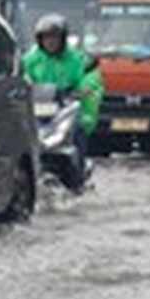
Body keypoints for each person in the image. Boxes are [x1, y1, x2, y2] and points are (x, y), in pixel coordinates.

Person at [22, 14, 104, 178]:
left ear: (63, 39)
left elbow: (91, 77)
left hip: (67, 107)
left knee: (78, 132)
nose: (50, 42)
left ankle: (78, 172)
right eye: (46, 38)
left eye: (54, 37)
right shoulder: (31, 59)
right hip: (39, 109)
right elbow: (22, 76)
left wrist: (83, 90)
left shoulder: (78, 58)